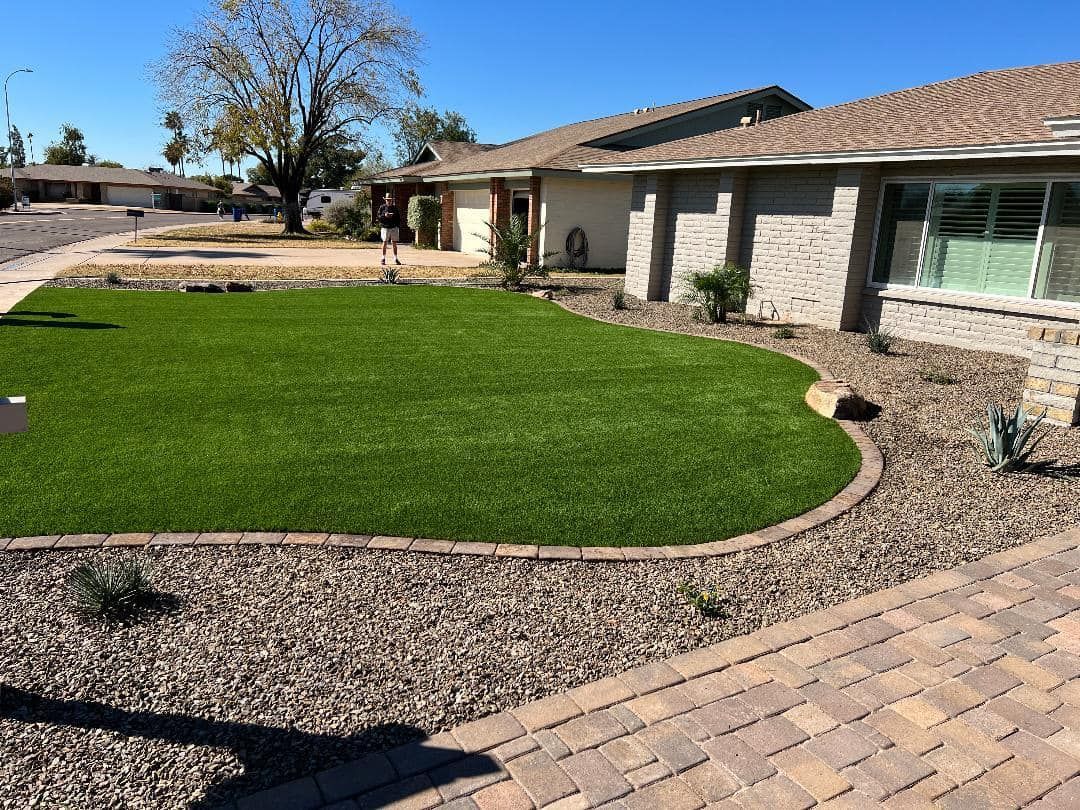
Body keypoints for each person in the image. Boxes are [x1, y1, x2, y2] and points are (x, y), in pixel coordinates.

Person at [377, 192, 402, 265]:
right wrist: (384, 216)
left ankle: (395, 258)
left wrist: (393, 218)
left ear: (392, 200)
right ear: (385, 200)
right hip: (385, 227)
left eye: (390, 200)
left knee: (394, 243)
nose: (389, 201)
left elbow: (398, 218)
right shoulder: (382, 207)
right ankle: (383, 258)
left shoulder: (395, 208)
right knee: (384, 242)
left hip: (394, 227)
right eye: (387, 200)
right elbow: (378, 217)